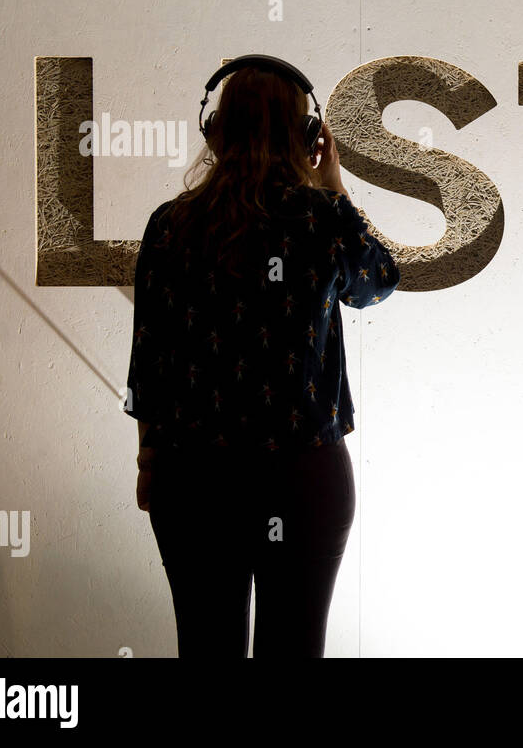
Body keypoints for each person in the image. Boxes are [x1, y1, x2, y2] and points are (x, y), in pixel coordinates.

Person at [124, 58, 399, 657]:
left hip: (192, 478)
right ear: (306, 137)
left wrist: (149, 460)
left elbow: (149, 362)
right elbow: (377, 281)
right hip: (302, 479)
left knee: (205, 647)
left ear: (215, 130)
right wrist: (335, 187)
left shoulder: (169, 226)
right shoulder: (321, 220)